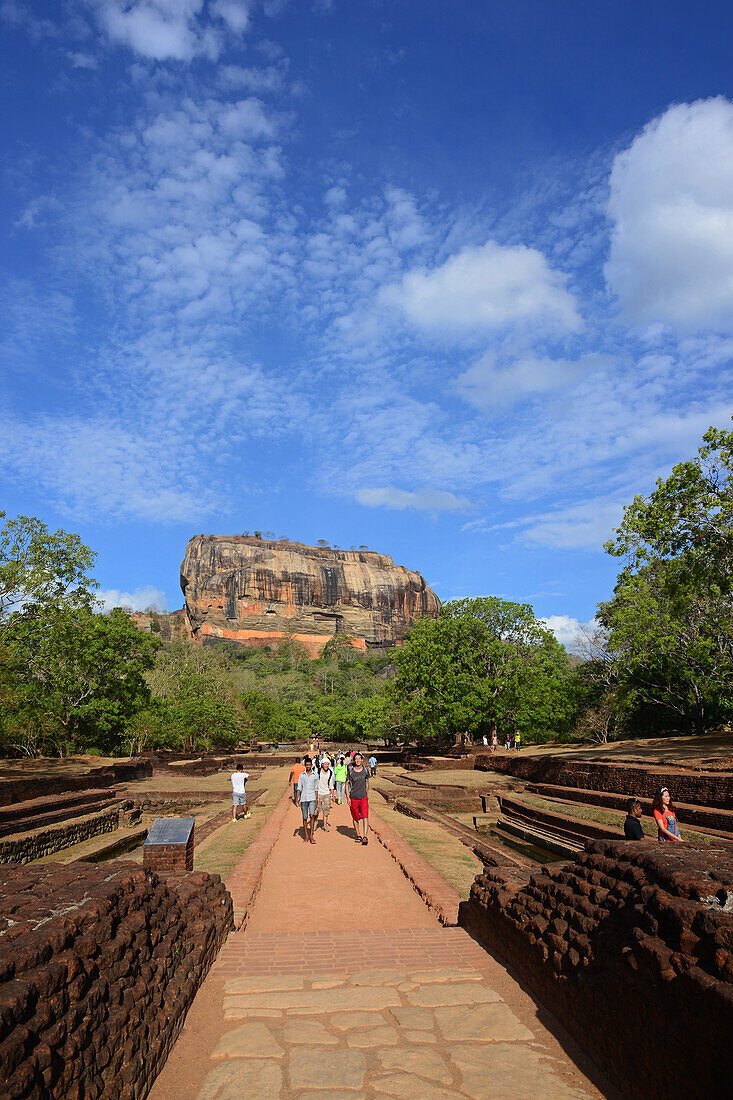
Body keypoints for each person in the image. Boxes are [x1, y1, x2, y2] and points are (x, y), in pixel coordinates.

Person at [346, 751, 370, 844]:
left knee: (365, 816)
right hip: (354, 797)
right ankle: (358, 835)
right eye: (356, 759)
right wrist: (348, 797)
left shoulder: (365, 770)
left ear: (362, 760)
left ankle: (365, 836)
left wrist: (367, 794)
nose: (358, 760)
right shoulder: (351, 771)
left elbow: (367, 782)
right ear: (354, 760)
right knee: (355, 817)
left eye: (359, 759)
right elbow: (347, 783)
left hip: (363, 797)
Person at [296, 756, 319, 844]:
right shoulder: (302, 775)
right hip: (304, 798)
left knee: (312, 816)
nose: (308, 766)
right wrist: (297, 799)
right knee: (305, 817)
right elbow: (299, 787)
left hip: (312, 797)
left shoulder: (315, 775)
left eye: (309, 765)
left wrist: (316, 800)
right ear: (305, 765)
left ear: (312, 765)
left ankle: (311, 836)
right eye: (307, 765)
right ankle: (306, 836)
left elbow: (316, 788)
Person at [316, 758, 335, 831]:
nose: (326, 765)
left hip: (326, 793)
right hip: (318, 793)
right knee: (316, 810)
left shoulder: (330, 772)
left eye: (328, 764)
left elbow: (331, 785)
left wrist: (332, 795)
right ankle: (315, 822)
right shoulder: (318, 771)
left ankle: (324, 825)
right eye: (325, 764)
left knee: (326, 810)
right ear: (322, 764)